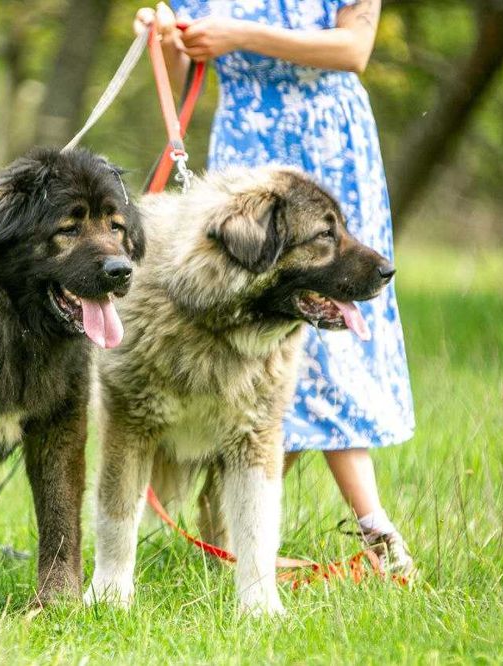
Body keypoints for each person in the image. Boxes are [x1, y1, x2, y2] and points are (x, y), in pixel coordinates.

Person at [135, 0, 416, 574]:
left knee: (335, 341)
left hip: (328, 147)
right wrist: (161, 36)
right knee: (245, 345)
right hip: (247, 157)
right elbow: (182, 57)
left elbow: (353, 50)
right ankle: (231, 530)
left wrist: (238, 35)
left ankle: (371, 527)